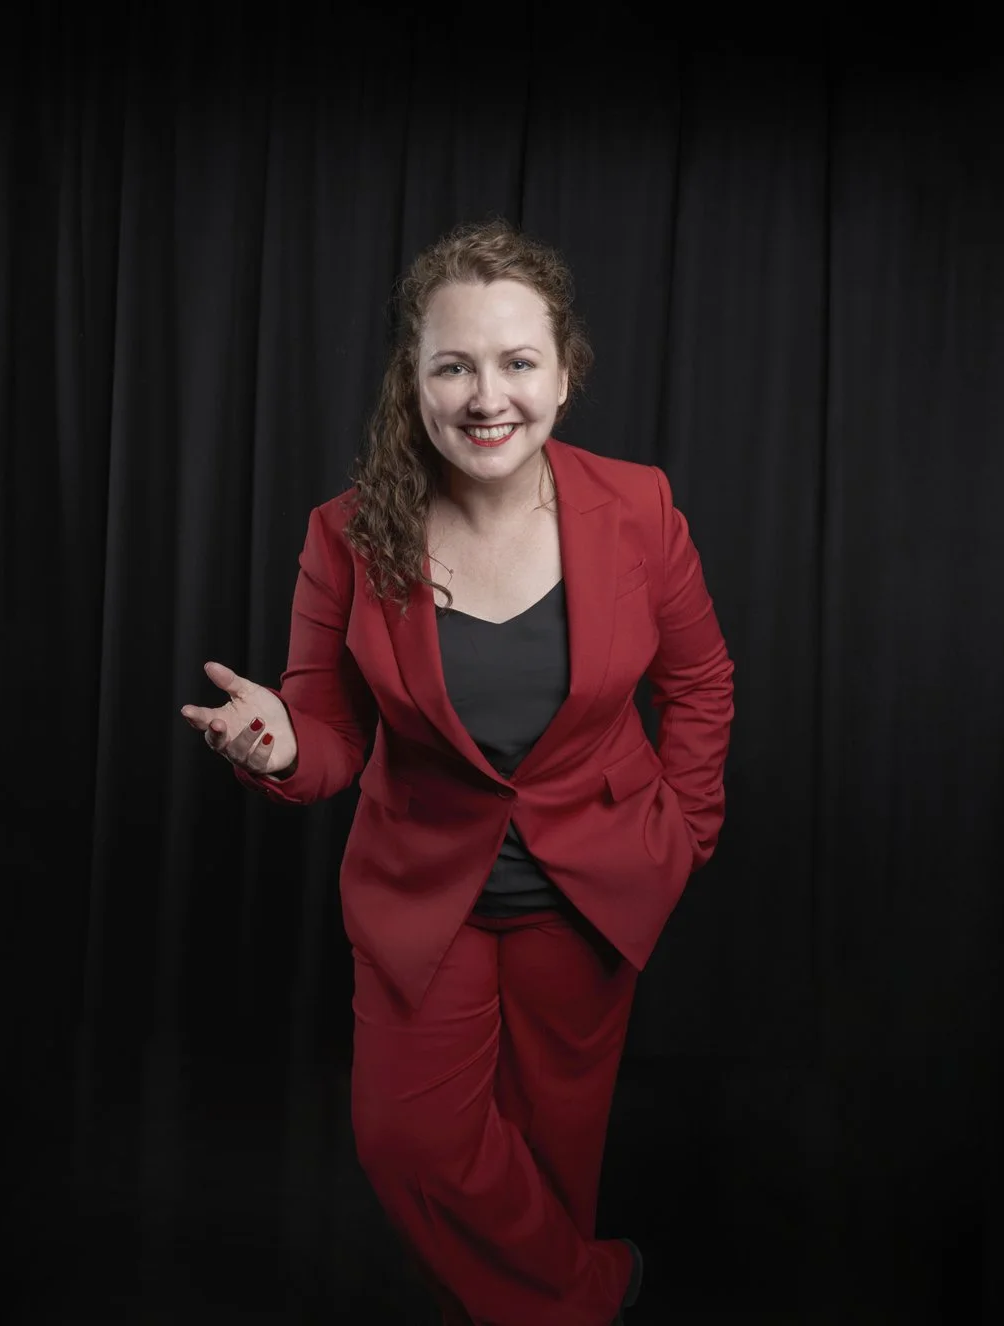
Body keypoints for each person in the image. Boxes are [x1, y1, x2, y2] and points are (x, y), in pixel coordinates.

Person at [177, 219, 734, 1325]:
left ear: (564, 376)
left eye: (518, 362)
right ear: (416, 380)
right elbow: (328, 730)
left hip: (588, 902)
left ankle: (560, 1296)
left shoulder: (639, 509)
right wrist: (282, 747)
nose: (489, 396)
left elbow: (702, 682)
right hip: (423, 901)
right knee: (412, 1147)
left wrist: (683, 835)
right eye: (455, 364)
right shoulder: (347, 535)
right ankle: (599, 1295)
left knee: (549, 1173)